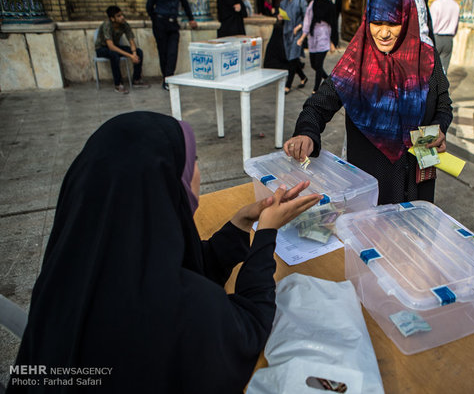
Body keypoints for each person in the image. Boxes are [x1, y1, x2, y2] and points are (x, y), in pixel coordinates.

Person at [6, 111, 321, 393]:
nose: (196, 171)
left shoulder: (79, 263)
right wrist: (266, 234)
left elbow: (185, 266)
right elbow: (250, 325)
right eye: (192, 162)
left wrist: (241, 223)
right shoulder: (176, 311)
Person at [285, 0, 452, 205]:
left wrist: (440, 128)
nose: (383, 33)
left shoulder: (427, 59)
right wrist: (306, 133)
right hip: (372, 183)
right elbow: (317, 106)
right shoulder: (355, 63)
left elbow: (443, 104)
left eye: (393, 24)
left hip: (417, 182)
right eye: (376, 22)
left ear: (407, 18)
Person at [147, 0, 198, 91]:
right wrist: (156, 19)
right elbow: (149, 7)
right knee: (163, 52)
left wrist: (191, 19)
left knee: (172, 52)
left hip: (173, 24)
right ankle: (166, 79)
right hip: (160, 23)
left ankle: (169, 77)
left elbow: (184, 3)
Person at [94, 6, 149, 94]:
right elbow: (111, 46)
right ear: (112, 18)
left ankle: (136, 79)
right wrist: (130, 56)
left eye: (122, 15)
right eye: (118, 16)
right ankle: (118, 84)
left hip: (115, 46)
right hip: (102, 48)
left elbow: (131, 40)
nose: (122, 17)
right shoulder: (107, 25)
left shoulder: (124, 24)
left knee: (139, 52)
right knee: (114, 55)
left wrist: (134, 54)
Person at [296, 0, 338, 94]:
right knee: (314, 65)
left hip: (324, 38)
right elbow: (307, 22)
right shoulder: (312, 4)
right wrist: (302, 37)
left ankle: (316, 89)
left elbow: (333, 25)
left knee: (319, 65)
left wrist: (333, 42)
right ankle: (331, 82)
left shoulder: (330, 6)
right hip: (312, 38)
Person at [279, 0, 308, 94]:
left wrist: (299, 27)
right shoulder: (283, 3)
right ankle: (303, 77)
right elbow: (282, 20)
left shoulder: (301, 1)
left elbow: (307, 18)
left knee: (292, 59)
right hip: (287, 34)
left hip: (298, 34)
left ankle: (288, 85)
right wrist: (280, 18)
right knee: (293, 58)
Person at [429, 0, 459, 72]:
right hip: (448, 40)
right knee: (443, 69)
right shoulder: (455, 5)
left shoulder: (437, 4)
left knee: (431, 68)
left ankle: (431, 86)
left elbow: (431, 24)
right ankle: (441, 86)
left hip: (437, 38)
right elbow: (456, 25)